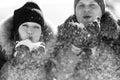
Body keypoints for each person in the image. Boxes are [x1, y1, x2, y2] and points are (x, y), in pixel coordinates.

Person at [48, 0, 120, 80]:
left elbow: (115, 74)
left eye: (92, 5)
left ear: (101, 10)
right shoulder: (64, 35)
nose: (86, 10)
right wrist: (75, 48)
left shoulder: (115, 36)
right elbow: (57, 74)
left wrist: (97, 47)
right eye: (81, 5)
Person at [0, 1, 54, 80]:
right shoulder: (2, 55)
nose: (30, 31)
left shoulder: (52, 55)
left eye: (36, 27)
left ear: (42, 33)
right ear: (16, 30)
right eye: (25, 25)